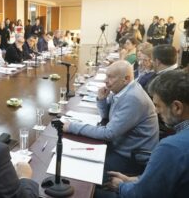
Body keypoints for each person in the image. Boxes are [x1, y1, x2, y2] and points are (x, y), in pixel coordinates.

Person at [63, 60, 159, 180]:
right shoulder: (122, 89)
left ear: (126, 79)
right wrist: (102, 100)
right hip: (121, 146)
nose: (105, 80)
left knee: (82, 170)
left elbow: (109, 133)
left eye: (110, 77)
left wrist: (72, 126)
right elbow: (107, 117)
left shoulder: (133, 98)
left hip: (130, 158)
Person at [105, 70, 189, 198]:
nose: (156, 111)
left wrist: (120, 186)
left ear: (177, 107)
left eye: (158, 105)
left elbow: (141, 194)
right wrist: (134, 180)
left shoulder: (172, 148)